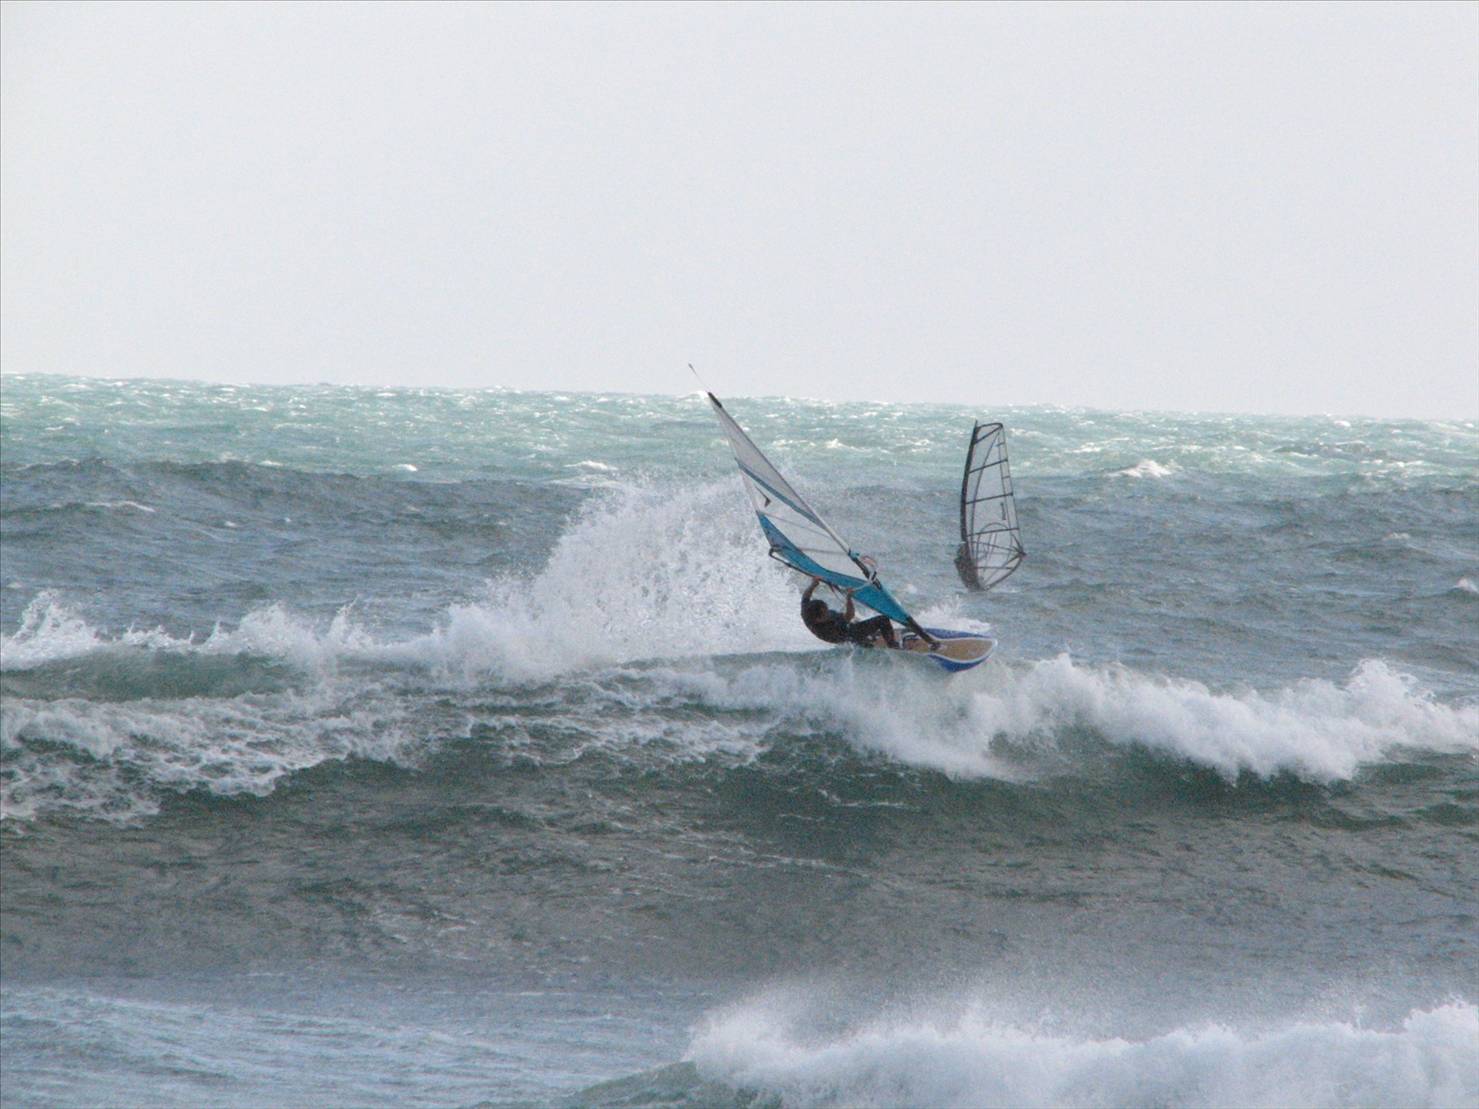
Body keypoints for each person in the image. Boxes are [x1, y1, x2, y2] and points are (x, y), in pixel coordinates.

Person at [800, 577, 899, 649]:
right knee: (882, 620)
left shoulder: (806, 610)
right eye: (825, 613)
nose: (827, 612)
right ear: (818, 619)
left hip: (845, 630)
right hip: (847, 636)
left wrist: (813, 584)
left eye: (826, 609)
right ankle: (893, 646)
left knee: (867, 636)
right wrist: (849, 598)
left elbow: (806, 596)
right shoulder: (829, 627)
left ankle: (873, 638)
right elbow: (850, 615)